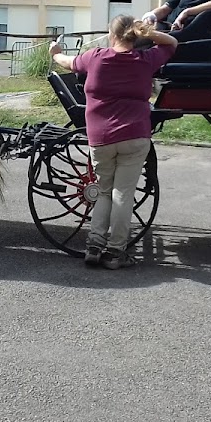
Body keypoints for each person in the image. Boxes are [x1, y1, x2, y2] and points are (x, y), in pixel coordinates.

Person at [49, 15, 178, 269]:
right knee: (123, 193)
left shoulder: (95, 57)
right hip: (134, 135)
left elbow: (68, 63)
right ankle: (115, 252)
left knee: (104, 191)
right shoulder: (145, 59)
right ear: (134, 35)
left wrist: (55, 53)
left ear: (112, 34)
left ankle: (94, 246)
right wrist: (148, 33)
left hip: (101, 138)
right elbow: (172, 43)